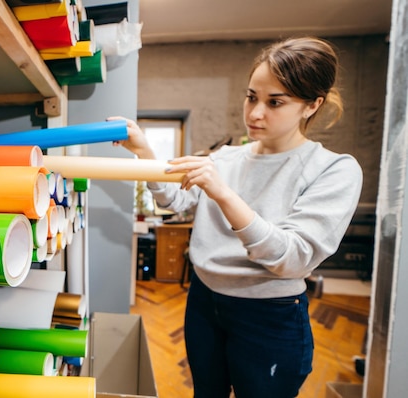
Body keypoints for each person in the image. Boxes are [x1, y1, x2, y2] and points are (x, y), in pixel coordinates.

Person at [110, 36, 363, 398]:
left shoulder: (334, 169)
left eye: (275, 102)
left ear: (312, 105)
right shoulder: (225, 158)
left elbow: (292, 258)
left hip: (269, 314)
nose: (255, 113)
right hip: (204, 300)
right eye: (251, 97)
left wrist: (225, 194)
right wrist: (145, 150)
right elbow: (175, 201)